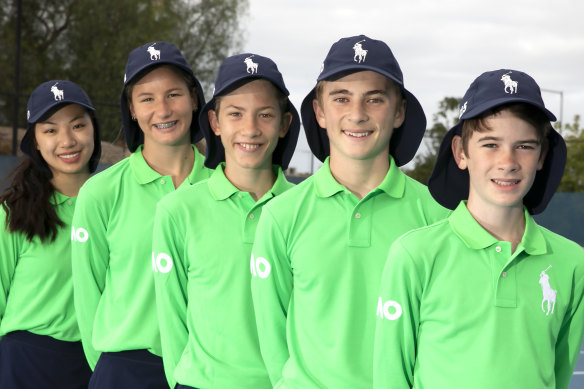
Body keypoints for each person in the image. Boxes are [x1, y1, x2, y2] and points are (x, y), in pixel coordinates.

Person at [250, 35, 449, 388]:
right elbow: (272, 335)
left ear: (399, 111)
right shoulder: (281, 215)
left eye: (374, 99)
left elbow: (442, 335)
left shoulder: (438, 216)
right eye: (341, 99)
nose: (357, 115)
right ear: (320, 112)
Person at [373, 69, 584, 389]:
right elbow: (391, 377)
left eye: (525, 146)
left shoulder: (573, 263)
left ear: (542, 156)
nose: (508, 161)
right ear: (461, 152)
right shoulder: (415, 254)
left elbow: (558, 373)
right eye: (490, 144)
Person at [153, 53, 300, 389]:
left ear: (284, 124)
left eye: (265, 114)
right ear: (215, 122)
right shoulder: (177, 210)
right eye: (235, 114)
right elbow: (173, 320)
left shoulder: (303, 210)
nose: (250, 129)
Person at [71, 41, 211, 388]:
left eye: (173, 94)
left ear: (194, 98)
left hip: (206, 369)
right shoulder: (101, 192)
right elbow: (88, 297)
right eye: (147, 98)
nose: (162, 110)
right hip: (126, 370)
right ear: (131, 109)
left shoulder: (226, 185)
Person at [0, 80, 101, 388]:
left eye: (77, 125)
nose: (67, 140)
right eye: (50, 130)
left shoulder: (113, 207)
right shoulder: (12, 213)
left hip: (93, 362)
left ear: (93, 130)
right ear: (36, 142)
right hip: (24, 362)